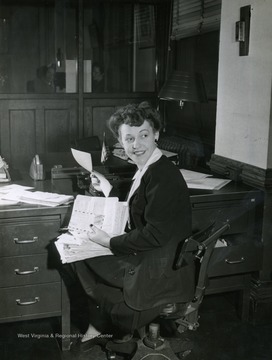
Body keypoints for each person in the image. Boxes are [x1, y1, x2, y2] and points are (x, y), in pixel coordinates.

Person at [65, 101, 194, 344]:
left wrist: (110, 241)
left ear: (156, 134)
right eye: (129, 139)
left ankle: (112, 320)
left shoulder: (162, 175)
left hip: (159, 268)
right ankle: (106, 320)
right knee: (77, 250)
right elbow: (140, 202)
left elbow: (155, 234)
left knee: (75, 252)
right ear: (121, 144)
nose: (137, 145)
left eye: (144, 135)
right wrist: (107, 188)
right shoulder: (150, 167)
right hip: (157, 257)